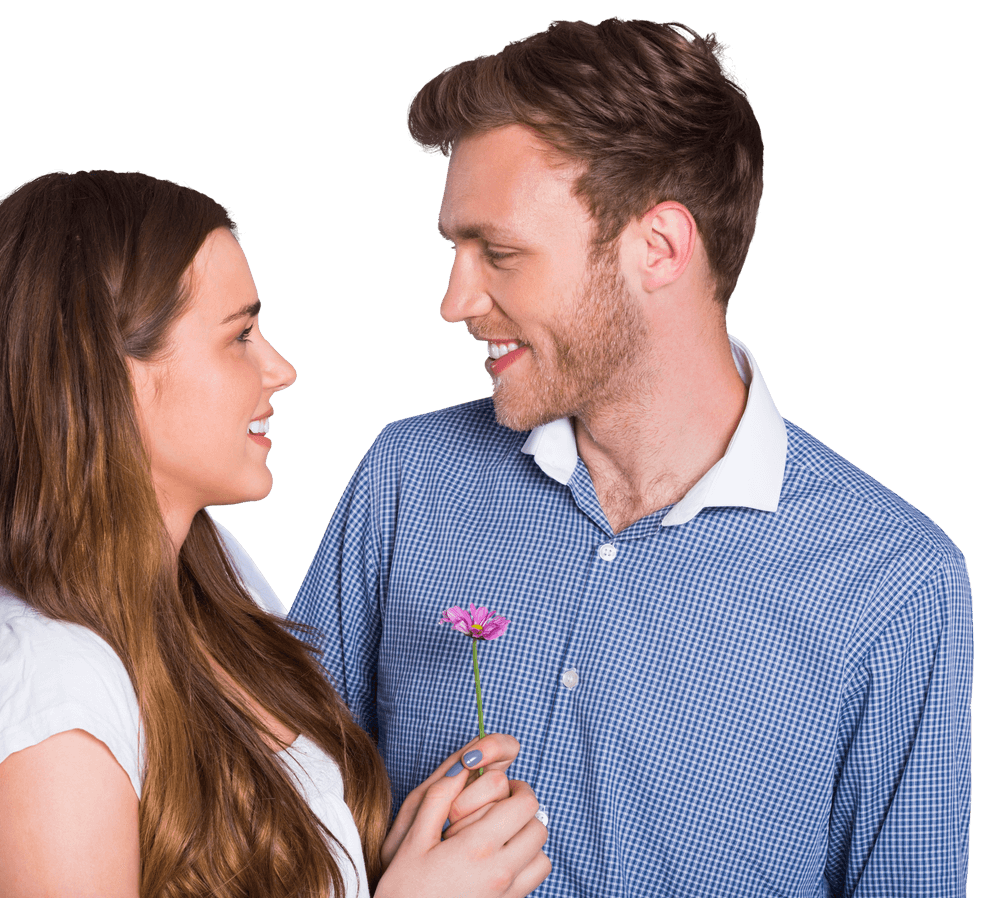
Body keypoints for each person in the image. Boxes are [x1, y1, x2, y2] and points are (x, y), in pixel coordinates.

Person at [290, 18, 973, 897]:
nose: (455, 301)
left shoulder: (896, 588)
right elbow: (260, 822)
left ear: (659, 248)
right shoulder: (406, 481)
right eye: (455, 250)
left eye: (497, 253)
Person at [0, 170, 551, 898]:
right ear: (106, 375)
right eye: (240, 336)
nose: (280, 368)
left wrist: (397, 852)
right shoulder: (41, 681)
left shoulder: (211, 567)